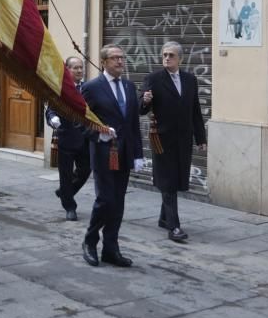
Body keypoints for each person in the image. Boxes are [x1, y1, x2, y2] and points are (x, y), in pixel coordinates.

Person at [80, 44, 143, 268]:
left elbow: (133, 122)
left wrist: (138, 153)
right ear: (104, 62)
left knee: (118, 202)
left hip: (124, 153)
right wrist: (99, 134)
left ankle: (111, 248)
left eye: (122, 58)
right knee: (105, 199)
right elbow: (81, 120)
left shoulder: (128, 86)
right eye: (115, 58)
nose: (119, 62)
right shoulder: (92, 87)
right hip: (103, 152)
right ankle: (89, 241)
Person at [139, 41, 207, 242]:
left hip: (183, 139)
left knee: (177, 180)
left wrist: (200, 138)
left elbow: (195, 110)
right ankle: (174, 227)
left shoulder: (190, 80)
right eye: (164, 55)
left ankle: (163, 218)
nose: (167, 58)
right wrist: (145, 100)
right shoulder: (154, 79)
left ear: (180, 59)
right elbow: (140, 108)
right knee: (167, 181)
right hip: (161, 139)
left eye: (171, 55)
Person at [46, 56, 92, 221]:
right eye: (75, 68)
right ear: (67, 70)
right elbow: (50, 110)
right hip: (66, 136)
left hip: (85, 138)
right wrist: (53, 120)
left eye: (81, 68)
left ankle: (65, 192)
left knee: (85, 170)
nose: (80, 71)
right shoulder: (59, 88)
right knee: (65, 174)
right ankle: (70, 206)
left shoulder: (88, 88)